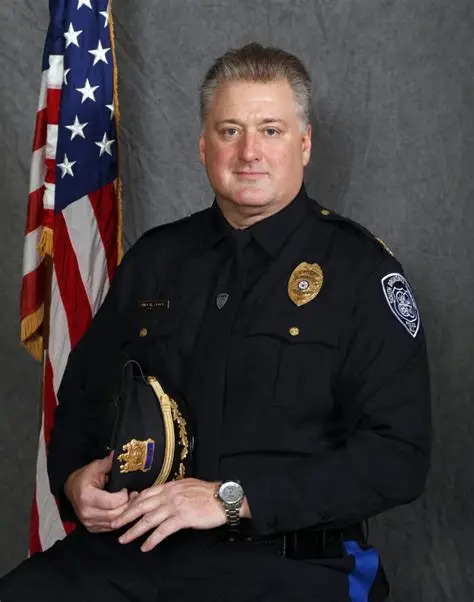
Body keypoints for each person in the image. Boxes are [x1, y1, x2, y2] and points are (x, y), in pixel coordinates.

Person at [0, 42, 431, 601]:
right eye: (230, 130)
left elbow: (398, 457)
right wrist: (76, 479)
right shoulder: (155, 261)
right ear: (203, 146)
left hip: (287, 563)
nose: (249, 151)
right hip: (138, 553)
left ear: (304, 144)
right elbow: (81, 402)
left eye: (271, 130)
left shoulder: (361, 272)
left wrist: (233, 498)